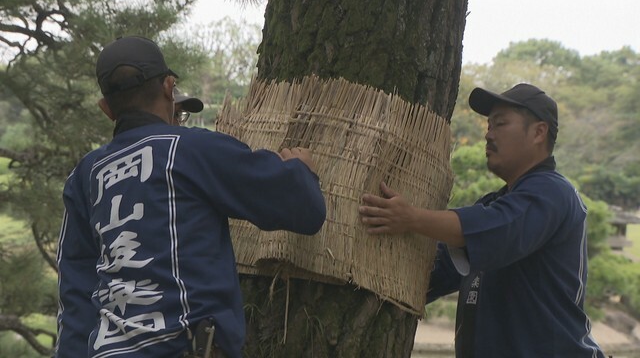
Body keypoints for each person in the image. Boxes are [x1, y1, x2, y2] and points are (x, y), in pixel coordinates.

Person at [55, 36, 326, 358]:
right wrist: (302, 171)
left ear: (106, 109)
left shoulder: (85, 175)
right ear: (169, 87)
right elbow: (304, 209)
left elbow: (75, 292)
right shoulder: (190, 149)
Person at [359, 83, 605, 357]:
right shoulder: (492, 204)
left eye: (500, 124)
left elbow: (497, 229)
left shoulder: (552, 192)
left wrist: (411, 218)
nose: (489, 135)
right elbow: (437, 271)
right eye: (488, 125)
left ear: (538, 132)